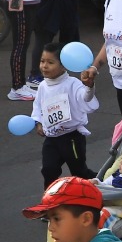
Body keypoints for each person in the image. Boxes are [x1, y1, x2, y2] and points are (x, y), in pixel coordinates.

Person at [32, 44, 99, 184]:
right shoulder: (43, 86)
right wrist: (38, 122)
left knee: (79, 171)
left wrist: (89, 86)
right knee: (49, 170)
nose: (44, 66)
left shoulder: (72, 84)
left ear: (64, 66)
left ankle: (100, 182)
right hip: (52, 138)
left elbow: (85, 98)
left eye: (50, 62)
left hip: (72, 137)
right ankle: (50, 201)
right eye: (42, 61)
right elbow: (38, 106)